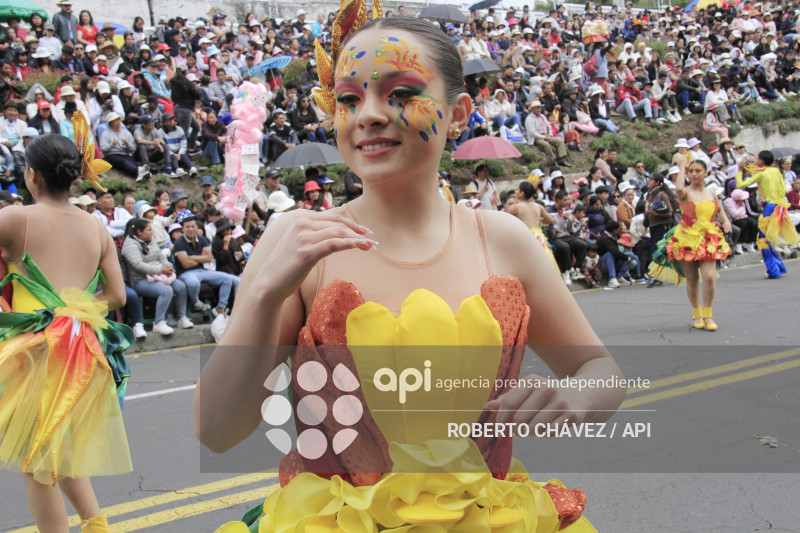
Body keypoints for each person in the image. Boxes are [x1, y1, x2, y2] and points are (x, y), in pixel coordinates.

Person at [200, 13, 623, 533]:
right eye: (349, 99)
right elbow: (217, 431)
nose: (368, 115)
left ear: (458, 112)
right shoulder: (298, 242)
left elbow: (600, 370)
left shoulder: (503, 239)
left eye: (400, 93)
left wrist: (577, 398)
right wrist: (265, 295)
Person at [0, 134, 133, 532]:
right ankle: (97, 526)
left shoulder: (16, 218)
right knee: (60, 450)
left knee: (36, 462)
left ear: (32, 176)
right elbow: (117, 295)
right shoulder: (96, 227)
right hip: (82, 350)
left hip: (33, 350)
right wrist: (74, 308)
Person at [649, 157, 732, 330]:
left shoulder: (711, 192)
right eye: (691, 171)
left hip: (708, 238)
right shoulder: (685, 192)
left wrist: (725, 221)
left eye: (698, 171)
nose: (694, 174)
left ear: (705, 173)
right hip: (687, 238)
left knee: (709, 276)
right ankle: (697, 314)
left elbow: (719, 208)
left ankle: (708, 314)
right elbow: (679, 188)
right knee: (692, 279)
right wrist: (681, 167)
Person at [122, 218, 193, 336]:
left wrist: (168, 266)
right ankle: (159, 322)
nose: (152, 232)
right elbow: (138, 265)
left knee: (180, 286)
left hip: (159, 274)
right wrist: (160, 269)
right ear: (139, 232)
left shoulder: (150, 240)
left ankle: (182, 317)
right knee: (166, 290)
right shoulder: (130, 244)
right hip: (139, 279)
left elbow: (161, 256)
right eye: (149, 230)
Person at [734, 150, 800, 278]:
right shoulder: (775, 171)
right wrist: (748, 166)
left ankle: (773, 270)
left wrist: (739, 170)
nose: (756, 161)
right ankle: (778, 266)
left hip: (769, 207)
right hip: (779, 206)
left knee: (763, 239)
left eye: (758, 159)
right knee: (769, 238)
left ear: (762, 161)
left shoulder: (761, 174)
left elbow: (741, 184)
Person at [173, 213, 239, 317]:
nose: (191, 229)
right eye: (187, 227)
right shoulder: (179, 242)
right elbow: (185, 264)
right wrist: (201, 257)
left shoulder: (202, 239)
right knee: (194, 283)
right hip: (186, 273)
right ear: (183, 229)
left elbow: (208, 258)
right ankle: (195, 302)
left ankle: (221, 308)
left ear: (196, 227)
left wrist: (192, 257)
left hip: (202, 271)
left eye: (193, 226)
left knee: (227, 279)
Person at [506, 180, 557, 268]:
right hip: (539, 236)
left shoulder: (515, 207)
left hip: (525, 236)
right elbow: (551, 220)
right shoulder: (538, 206)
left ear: (522, 193)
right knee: (544, 263)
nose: (516, 192)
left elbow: (506, 221)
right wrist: (537, 220)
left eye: (517, 190)